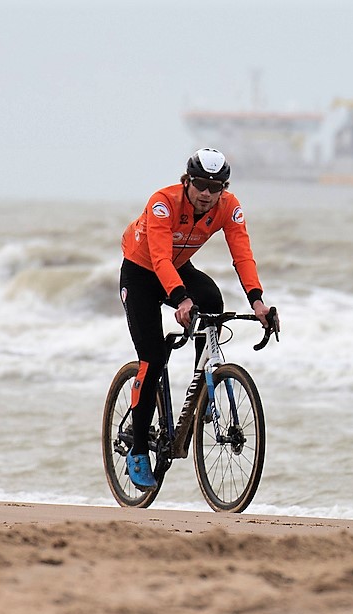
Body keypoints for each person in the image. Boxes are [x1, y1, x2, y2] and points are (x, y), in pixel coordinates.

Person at [119, 148, 277, 489]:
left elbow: (243, 254)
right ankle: (137, 449)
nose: (207, 193)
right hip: (141, 273)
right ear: (186, 182)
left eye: (215, 187)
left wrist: (258, 301)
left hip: (178, 268)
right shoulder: (164, 202)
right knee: (153, 358)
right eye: (201, 185)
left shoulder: (228, 207)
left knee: (212, 301)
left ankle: (203, 385)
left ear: (224, 188)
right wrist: (180, 299)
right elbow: (159, 257)